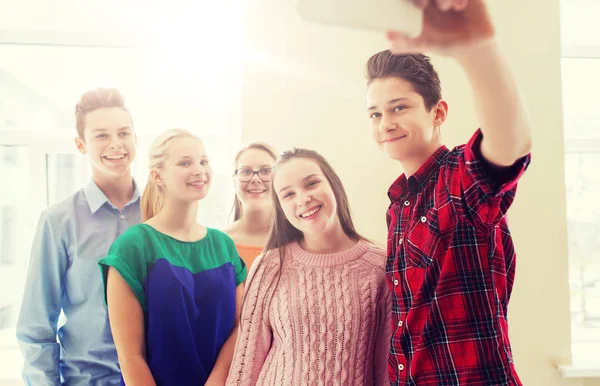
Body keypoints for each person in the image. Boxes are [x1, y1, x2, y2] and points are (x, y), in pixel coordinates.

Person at [365, 0, 532, 384]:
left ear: (438, 112)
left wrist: (478, 50)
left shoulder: (457, 178)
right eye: (375, 114)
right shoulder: (398, 207)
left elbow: (509, 146)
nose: (385, 124)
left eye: (398, 108)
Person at [226, 148, 391, 386]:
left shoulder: (379, 267)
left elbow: (385, 371)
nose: (303, 199)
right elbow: (245, 365)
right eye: (288, 194)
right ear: (281, 208)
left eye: (311, 184)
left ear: (333, 184)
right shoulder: (270, 265)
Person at [99, 129, 246, 385]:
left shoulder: (224, 246)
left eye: (203, 161)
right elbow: (130, 357)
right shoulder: (133, 247)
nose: (199, 170)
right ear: (158, 176)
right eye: (185, 163)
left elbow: (241, 327)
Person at [16, 87, 140, 385]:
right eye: (101, 136)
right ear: (81, 144)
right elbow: (36, 328)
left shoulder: (160, 213)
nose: (116, 144)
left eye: (124, 133)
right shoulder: (58, 221)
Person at [223, 142, 277, 272]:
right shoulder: (218, 244)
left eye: (266, 171)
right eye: (246, 172)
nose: (255, 179)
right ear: (234, 180)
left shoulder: (299, 241)